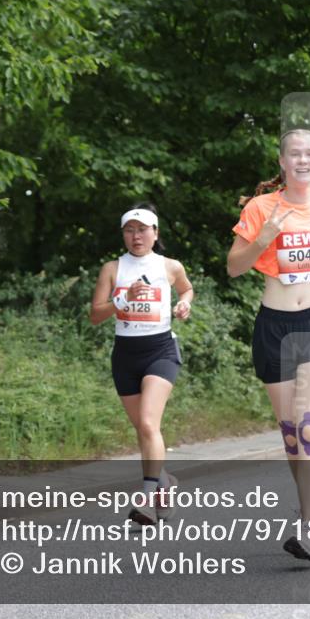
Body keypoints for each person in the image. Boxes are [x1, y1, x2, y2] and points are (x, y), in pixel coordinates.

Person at [227, 129, 310, 562]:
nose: (303, 159)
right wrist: (262, 240)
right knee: (290, 436)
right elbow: (233, 267)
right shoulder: (260, 208)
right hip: (274, 325)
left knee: (309, 425)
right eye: (294, 153)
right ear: (282, 161)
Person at [90, 204, 194, 525]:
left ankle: (147, 500)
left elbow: (187, 288)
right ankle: (164, 481)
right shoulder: (112, 269)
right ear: (124, 234)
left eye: (143, 229)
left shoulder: (170, 266)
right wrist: (123, 299)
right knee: (144, 430)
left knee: (149, 424)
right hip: (125, 355)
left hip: (160, 350)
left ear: (155, 233)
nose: (137, 236)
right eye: (130, 230)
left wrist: (184, 304)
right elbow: (95, 315)